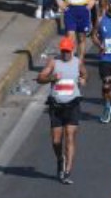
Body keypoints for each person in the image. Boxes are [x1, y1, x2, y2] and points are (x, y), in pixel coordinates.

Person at [36, 34, 86, 182]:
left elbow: (84, 73)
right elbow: (40, 78)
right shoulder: (54, 62)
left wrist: (83, 80)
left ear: (72, 50)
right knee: (56, 141)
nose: (65, 53)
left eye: (67, 51)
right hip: (56, 106)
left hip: (72, 105)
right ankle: (60, 159)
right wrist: (52, 78)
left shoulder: (77, 63)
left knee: (70, 137)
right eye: (63, 51)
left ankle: (68, 170)